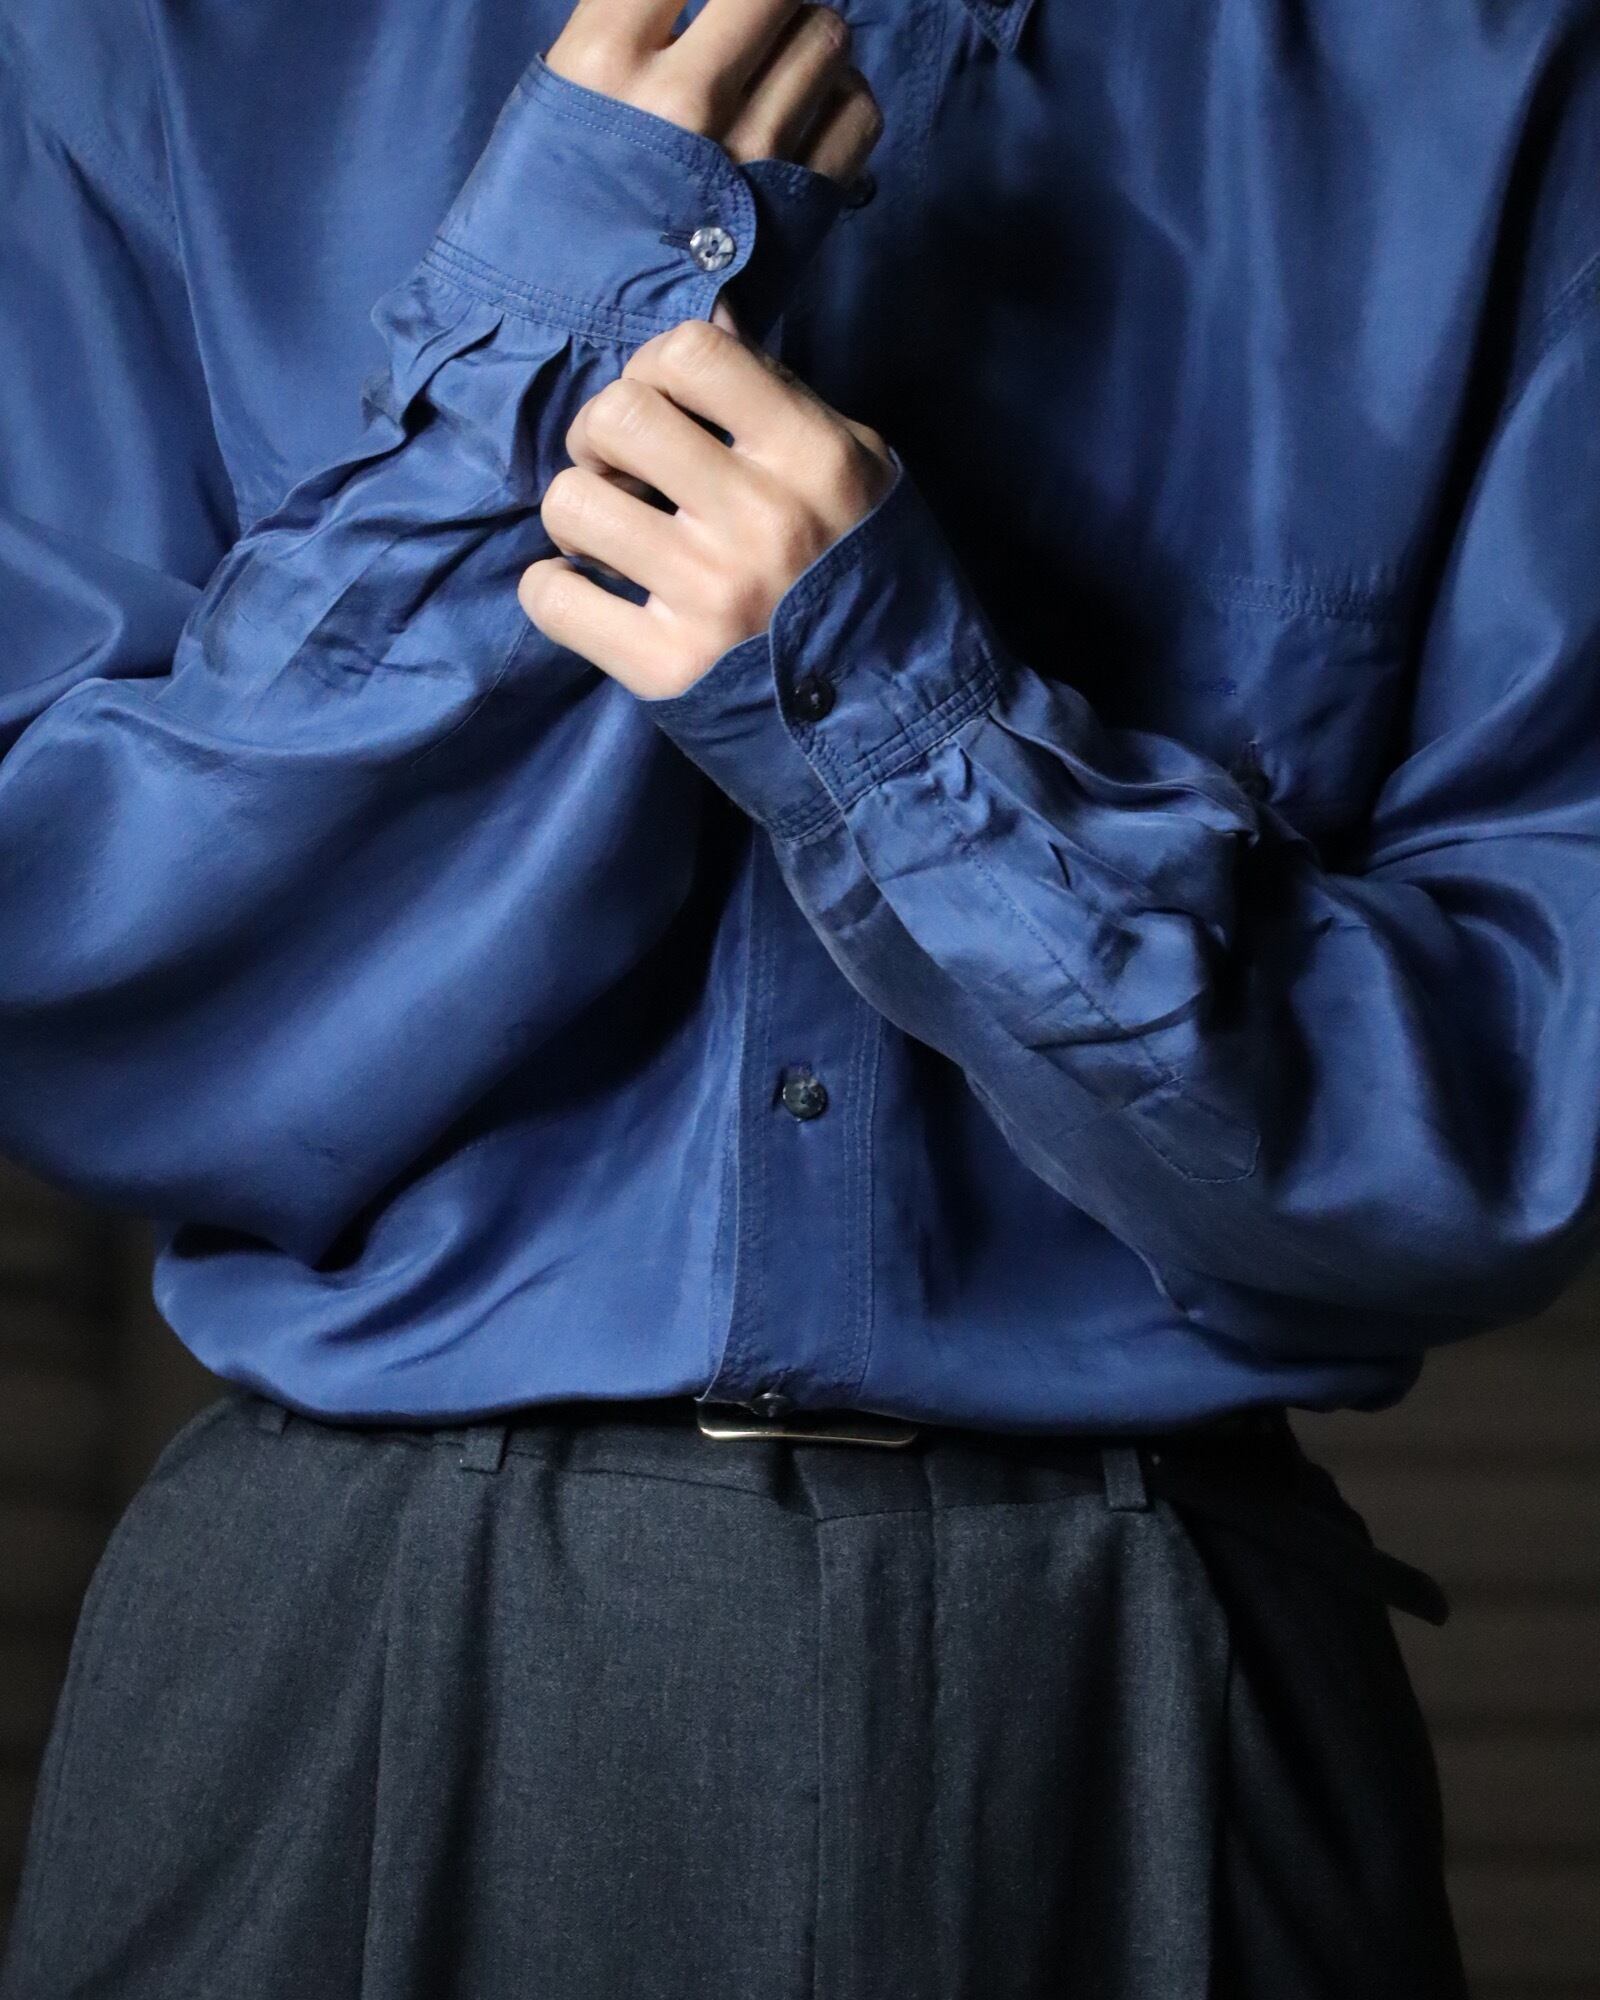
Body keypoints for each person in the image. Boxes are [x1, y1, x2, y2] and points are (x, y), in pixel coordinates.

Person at [2, 0, 1597, 1989]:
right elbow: (71, 987)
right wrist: (549, 341)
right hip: (345, 1657)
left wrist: (909, 727)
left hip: (1151, 1696)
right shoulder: (139, 40)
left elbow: (1509, 1123)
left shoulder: (1496, 74)